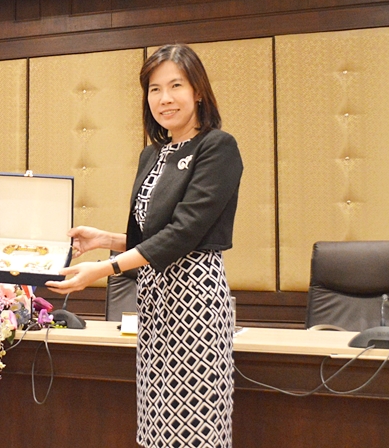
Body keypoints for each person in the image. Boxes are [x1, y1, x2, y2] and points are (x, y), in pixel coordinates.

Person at [47, 44, 243, 448]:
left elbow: (184, 234)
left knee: (195, 428)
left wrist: (103, 269)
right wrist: (105, 240)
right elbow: (151, 237)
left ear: (198, 92)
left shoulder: (217, 147)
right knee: (156, 428)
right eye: (154, 89)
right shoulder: (152, 155)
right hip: (154, 303)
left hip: (196, 302)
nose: (164, 98)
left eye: (176, 86)